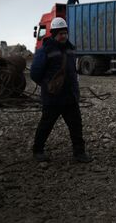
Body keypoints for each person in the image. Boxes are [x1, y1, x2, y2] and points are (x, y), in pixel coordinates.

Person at [30, 17, 92, 163]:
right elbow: (35, 73)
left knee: (76, 126)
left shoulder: (70, 49)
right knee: (46, 124)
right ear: (53, 33)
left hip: (69, 96)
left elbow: (72, 72)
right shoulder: (45, 50)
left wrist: (76, 92)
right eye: (60, 33)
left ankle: (79, 153)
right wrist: (48, 86)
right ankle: (37, 151)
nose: (63, 36)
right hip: (53, 97)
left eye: (65, 33)